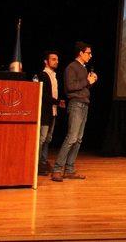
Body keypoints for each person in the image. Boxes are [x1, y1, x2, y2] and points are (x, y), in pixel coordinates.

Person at [51, 42, 97, 182]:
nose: (90, 55)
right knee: (71, 138)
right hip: (76, 104)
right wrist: (87, 81)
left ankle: (69, 169)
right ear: (81, 53)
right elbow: (70, 87)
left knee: (78, 139)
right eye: (88, 53)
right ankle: (57, 169)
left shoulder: (83, 68)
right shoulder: (72, 67)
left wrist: (91, 82)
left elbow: (82, 88)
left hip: (84, 104)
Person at [37, 51, 64, 176]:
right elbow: (44, 96)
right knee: (41, 139)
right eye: (53, 59)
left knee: (48, 139)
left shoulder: (54, 75)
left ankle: (43, 161)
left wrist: (57, 103)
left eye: (57, 59)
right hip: (44, 112)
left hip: (52, 112)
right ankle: (37, 164)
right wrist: (58, 102)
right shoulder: (43, 75)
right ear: (46, 61)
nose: (56, 61)